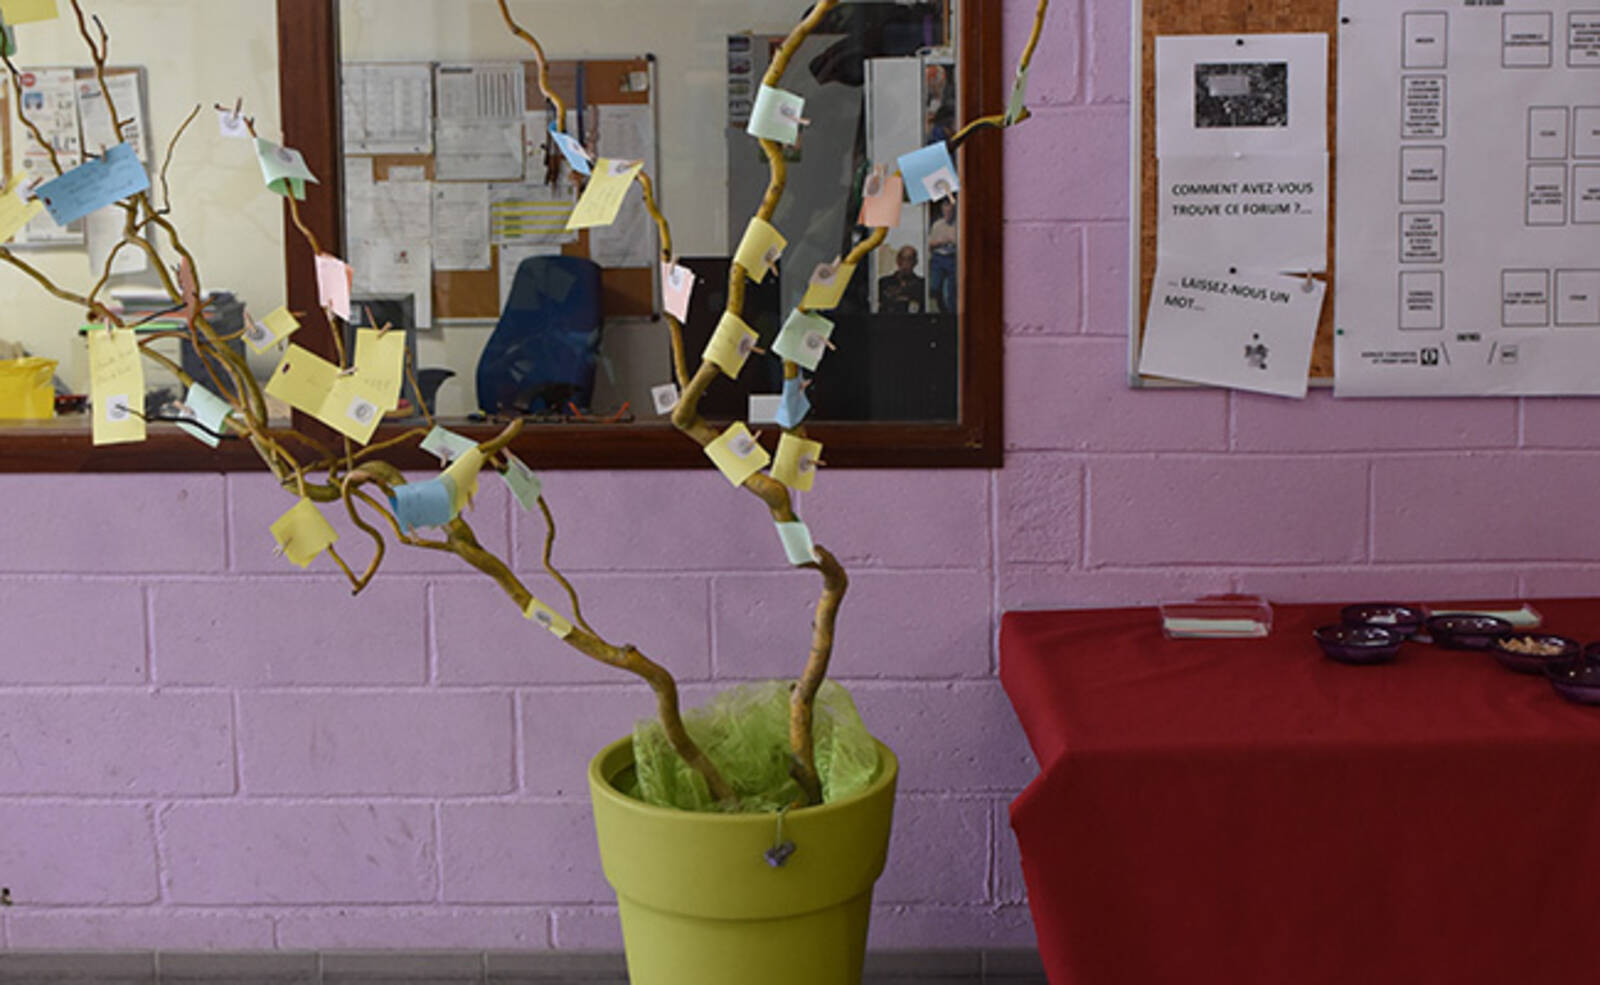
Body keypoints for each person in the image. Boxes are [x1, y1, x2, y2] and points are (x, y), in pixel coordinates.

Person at [927, 197, 957, 314]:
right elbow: (929, 244)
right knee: (934, 286)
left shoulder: (957, 225)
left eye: (951, 209)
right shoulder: (937, 225)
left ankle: (950, 313)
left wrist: (952, 240)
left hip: (952, 258)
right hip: (938, 257)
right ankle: (939, 309)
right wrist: (940, 242)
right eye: (946, 209)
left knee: (950, 291)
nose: (948, 212)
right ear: (942, 209)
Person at [878, 245, 926, 314]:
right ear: (897, 261)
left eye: (909, 259)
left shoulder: (921, 285)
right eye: (902, 259)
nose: (905, 263)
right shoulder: (885, 282)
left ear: (915, 262)